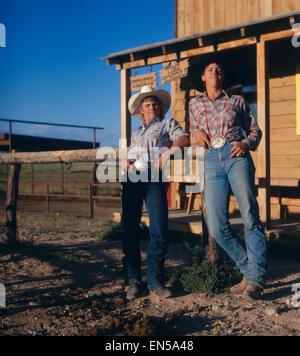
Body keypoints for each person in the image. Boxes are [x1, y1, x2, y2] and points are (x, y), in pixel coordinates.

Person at [188, 54, 267, 300]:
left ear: (222, 76)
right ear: (203, 77)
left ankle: (256, 280)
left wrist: (245, 143)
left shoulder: (237, 100)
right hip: (211, 159)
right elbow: (194, 130)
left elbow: (255, 129)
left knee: (249, 216)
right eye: (210, 69)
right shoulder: (193, 104)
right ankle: (248, 271)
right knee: (217, 227)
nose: (214, 71)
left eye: (218, 69)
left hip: (235, 154)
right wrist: (194, 134)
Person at [121, 85, 190, 300]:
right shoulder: (137, 133)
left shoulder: (167, 123)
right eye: (147, 105)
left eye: (154, 104)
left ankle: (155, 281)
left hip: (154, 177)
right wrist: (127, 160)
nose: (151, 108)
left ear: (159, 107)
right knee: (129, 228)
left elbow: (184, 138)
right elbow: (133, 154)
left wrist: (168, 153)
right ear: (141, 109)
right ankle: (133, 280)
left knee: (159, 228)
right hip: (134, 178)